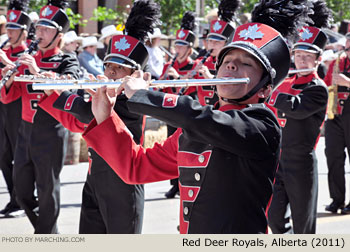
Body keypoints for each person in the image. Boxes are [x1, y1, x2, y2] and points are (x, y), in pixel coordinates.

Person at [82, 0, 304, 234]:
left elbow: (203, 120)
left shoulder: (261, 124)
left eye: (246, 63)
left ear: (265, 88)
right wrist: (105, 116)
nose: (231, 67)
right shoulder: (194, 129)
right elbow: (136, 167)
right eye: (226, 61)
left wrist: (146, 95)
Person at [37, 0, 161, 233]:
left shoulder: (133, 100)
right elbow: (77, 120)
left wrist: (56, 91)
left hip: (123, 182)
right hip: (95, 177)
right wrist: (49, 92)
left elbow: (85, 112)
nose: (111, 72)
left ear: (134, 74)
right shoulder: (106, 91)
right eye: (108, 65)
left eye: (120, 68)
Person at [0, 0, 80, 233]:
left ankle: (44, 235)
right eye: (39, 28)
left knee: (47, 188)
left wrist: (36, 71)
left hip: (51, 130)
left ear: (59, 35)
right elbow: (7, 98)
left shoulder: (67, 60)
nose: (40, 33)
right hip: (25, 130)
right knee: (22, 191)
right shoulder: (26, 60)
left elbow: (68, 91)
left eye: (46, 29)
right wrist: (10, 73)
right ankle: (48, 231)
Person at [267, 0, 331, 234]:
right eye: (298, 55)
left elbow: (296, 108)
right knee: (274, 219)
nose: (301, 61)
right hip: (278, 160)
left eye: (307, 57)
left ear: (317, 60)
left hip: (301, 162)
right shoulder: (285, 83)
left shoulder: (317, 88)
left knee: (303, 224)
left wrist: (271, 91)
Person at [158, 11, 199, 199]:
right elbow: (159, 84)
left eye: (182, 45)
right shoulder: (169, 65)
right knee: (171, 147)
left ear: (189, 48)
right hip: (170, 111)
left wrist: (180, 78)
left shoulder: (196, 65)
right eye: (177, 44)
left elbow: (196, 89)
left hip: (186, 112)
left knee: (186, 148)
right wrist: (167, 78)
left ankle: (186, 182)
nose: (177, 48)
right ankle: (174, 184)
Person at [0, 0, 31, 218]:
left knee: (20, 156)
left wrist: (6, 63)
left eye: (14, 28)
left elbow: (22, 82)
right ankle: (14, 198)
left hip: (18, 107)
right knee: (3, 156)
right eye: (8, 27)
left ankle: (24, 199)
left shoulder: (29, 52)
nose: (9, 32)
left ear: (24, 31)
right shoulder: (3, 49)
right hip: (2, 107)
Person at [324, 32, 350, 214]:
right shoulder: (337, 62)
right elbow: (325, 86)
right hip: (336, 115)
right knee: (333, 158)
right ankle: (337, 199)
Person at [194, 0, 238, 106]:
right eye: (210, 41)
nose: (212, 44)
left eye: (217, 42)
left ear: (227, 44)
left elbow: (234, 89)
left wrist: (209, 77)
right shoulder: (200, 62)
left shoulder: (235, 65)